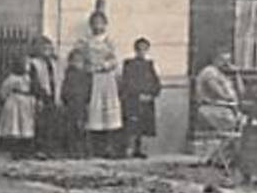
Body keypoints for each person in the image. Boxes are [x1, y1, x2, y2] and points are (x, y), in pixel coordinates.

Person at [69, 9, 122, 158]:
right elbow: (78, 57)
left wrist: (104, 65)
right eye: (95, 23)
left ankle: (109, 148)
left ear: (105, 24)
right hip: (92, 79)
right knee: (93, 112)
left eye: (100, 22)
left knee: (108, 112)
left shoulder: (110, 41)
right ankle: (93, 148)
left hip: (107, 79)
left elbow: (114, 60)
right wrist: (87, 66)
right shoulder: (85, 42)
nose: (98, 26)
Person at [119, 37, 162, 159]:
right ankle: (128, 149)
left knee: (143, 126)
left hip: (146, 99)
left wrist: (152, 94)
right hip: (133, 99)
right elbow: (127, 82)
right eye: (139, 49)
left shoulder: (150, 65)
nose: (142, 52)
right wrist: (136, 94)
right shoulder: (129, 64)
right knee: (132, 125)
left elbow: (155, 82)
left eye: (144, 49)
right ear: (135, 50)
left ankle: (139, 149)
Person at [26, 36, 63, 158]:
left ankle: (50, 148)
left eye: (49, 48)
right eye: (44, 48)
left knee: (52, 123)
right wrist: (40, 95)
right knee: (40, 123)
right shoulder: (34, 64)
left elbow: (58, 78)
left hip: (53, 95)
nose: (47, 51)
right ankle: (39, 148)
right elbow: (33, 82)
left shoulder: (54, 63)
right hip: (41, 97)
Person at [192, 51, 243, 136]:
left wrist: (237, 74)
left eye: (228, 61)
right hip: (213, 108)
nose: (226, 64)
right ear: (215, 59)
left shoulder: (221, 73)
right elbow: (220, 93)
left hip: (224, 107)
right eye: (223, 60)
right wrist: (231, 99)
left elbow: (241, 92)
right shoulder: (210, 72)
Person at [0, 64, 37, 157]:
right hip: (15, 102)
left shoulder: (27, 78)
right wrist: (5, 98)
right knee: (15, 124)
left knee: (25, 124)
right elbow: (4, 90)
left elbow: (33, 89)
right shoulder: (11, 78)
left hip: (25, 101)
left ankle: (25, 146)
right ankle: (15, 147)